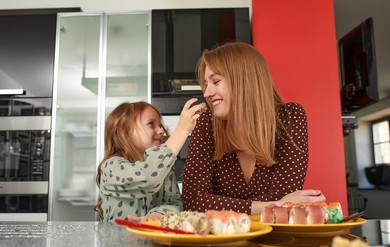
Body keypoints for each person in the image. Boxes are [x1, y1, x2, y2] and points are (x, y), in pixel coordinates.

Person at [182, 42, 326, 215]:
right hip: (223, 238)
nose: (206, 93)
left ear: (243, 79)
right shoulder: (206, 122)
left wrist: (218, 204)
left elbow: (284, 195)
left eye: (216, 81)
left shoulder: (290, 117)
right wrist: (272, 206)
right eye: (206, 84)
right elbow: (193, 200)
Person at [95, 99, 205, 222]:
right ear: (125, 132)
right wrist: (182, 130)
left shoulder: (164, 170)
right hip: (119, 240)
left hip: (154, 240)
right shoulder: (110, 167)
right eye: (151, 124)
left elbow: (175, 203)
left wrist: (155, 216)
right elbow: (148, 177)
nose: (161, 131)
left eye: (160, 125)